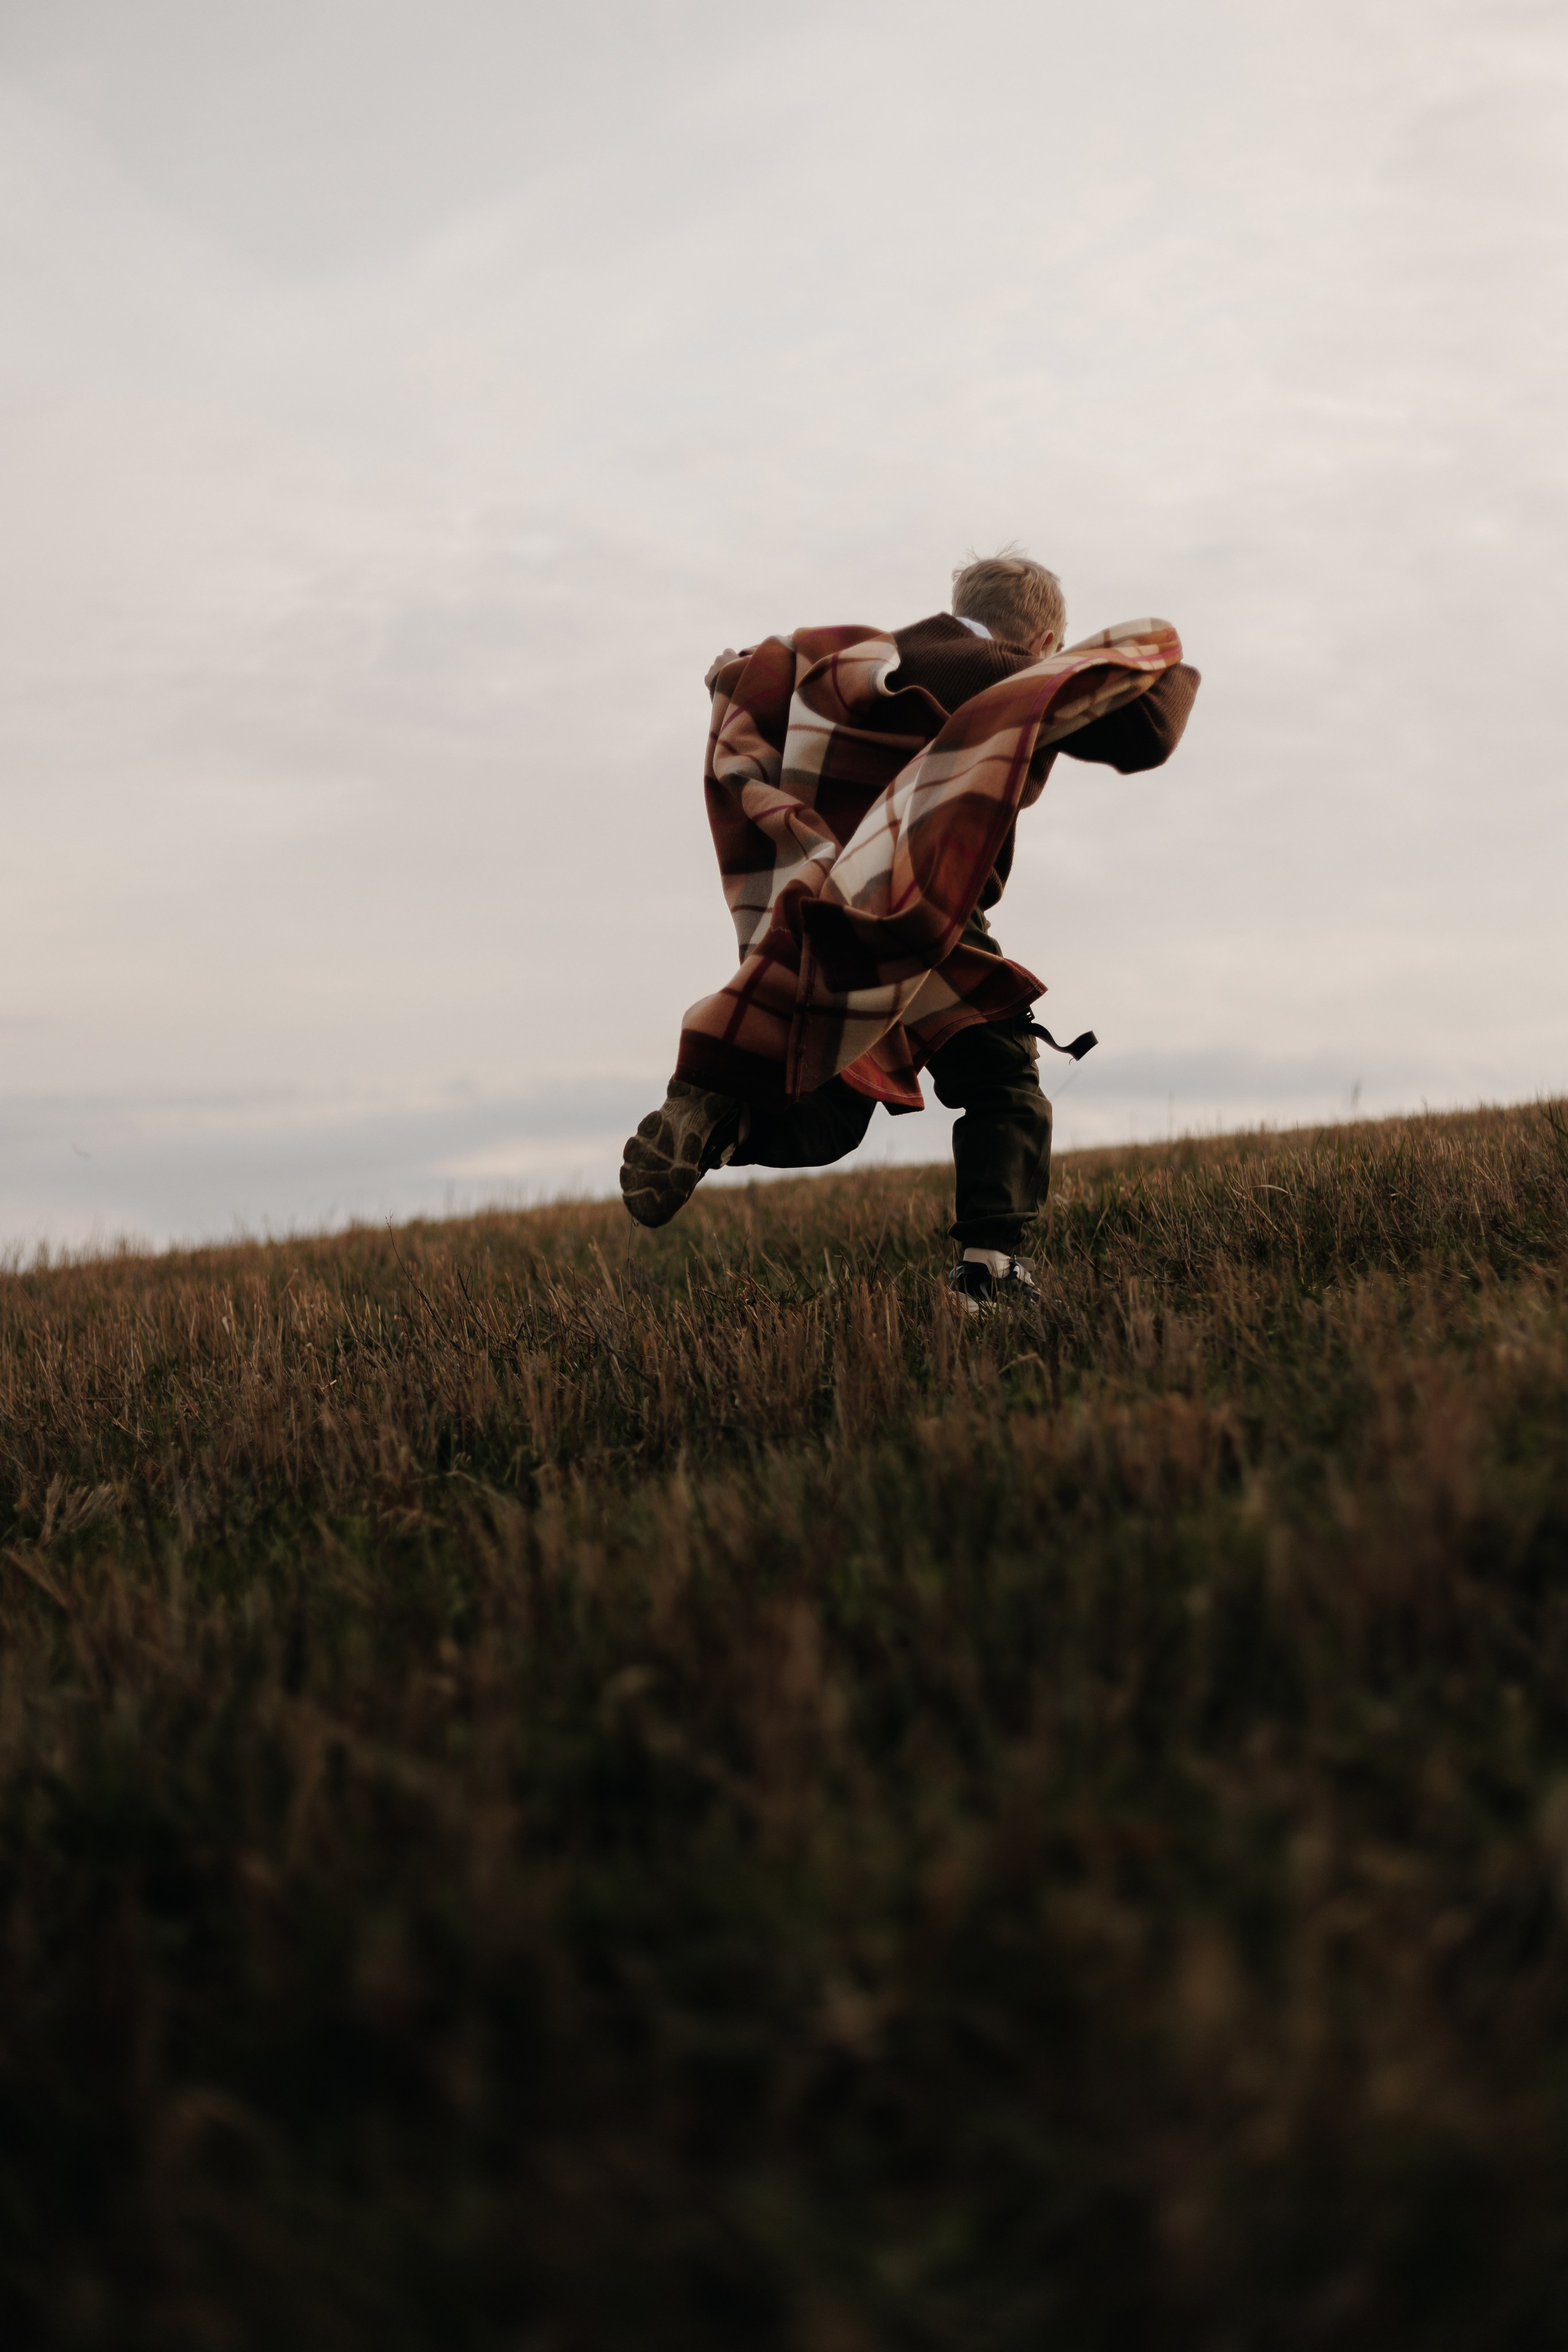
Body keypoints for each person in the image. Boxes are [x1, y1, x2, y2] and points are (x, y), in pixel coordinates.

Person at [619, 552, 1199, 1307]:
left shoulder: (857, 661)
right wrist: (1158, 657)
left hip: (824, 909)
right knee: (1003, 1083)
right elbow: (1147, 733)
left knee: (830, 1114)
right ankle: (989, 1273)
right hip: (922, 908)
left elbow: (749, 685)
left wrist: (731, 677)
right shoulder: (1004, 670)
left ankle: (722, 1121)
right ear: (1045, 637)